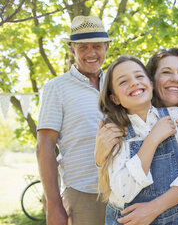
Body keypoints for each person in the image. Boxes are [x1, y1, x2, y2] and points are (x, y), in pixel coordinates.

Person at [95, 48, 178, 225]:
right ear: (114, 98)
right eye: (123, 81)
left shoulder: (177, 116)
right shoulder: (115, 131)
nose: (133, 83)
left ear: (151, 84)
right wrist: (153, 139)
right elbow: (125, 191)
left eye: (139, 76)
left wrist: (153, 208)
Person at [36, 16, 111, 225]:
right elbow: (44, 147)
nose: (91, 53)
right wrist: (53, 204)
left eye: (97, 46)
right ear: (72, 50)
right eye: (83, 47)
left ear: (106, 47)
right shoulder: (56, 88)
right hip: (83, 195)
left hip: (124, 192)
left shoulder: (116, 84)